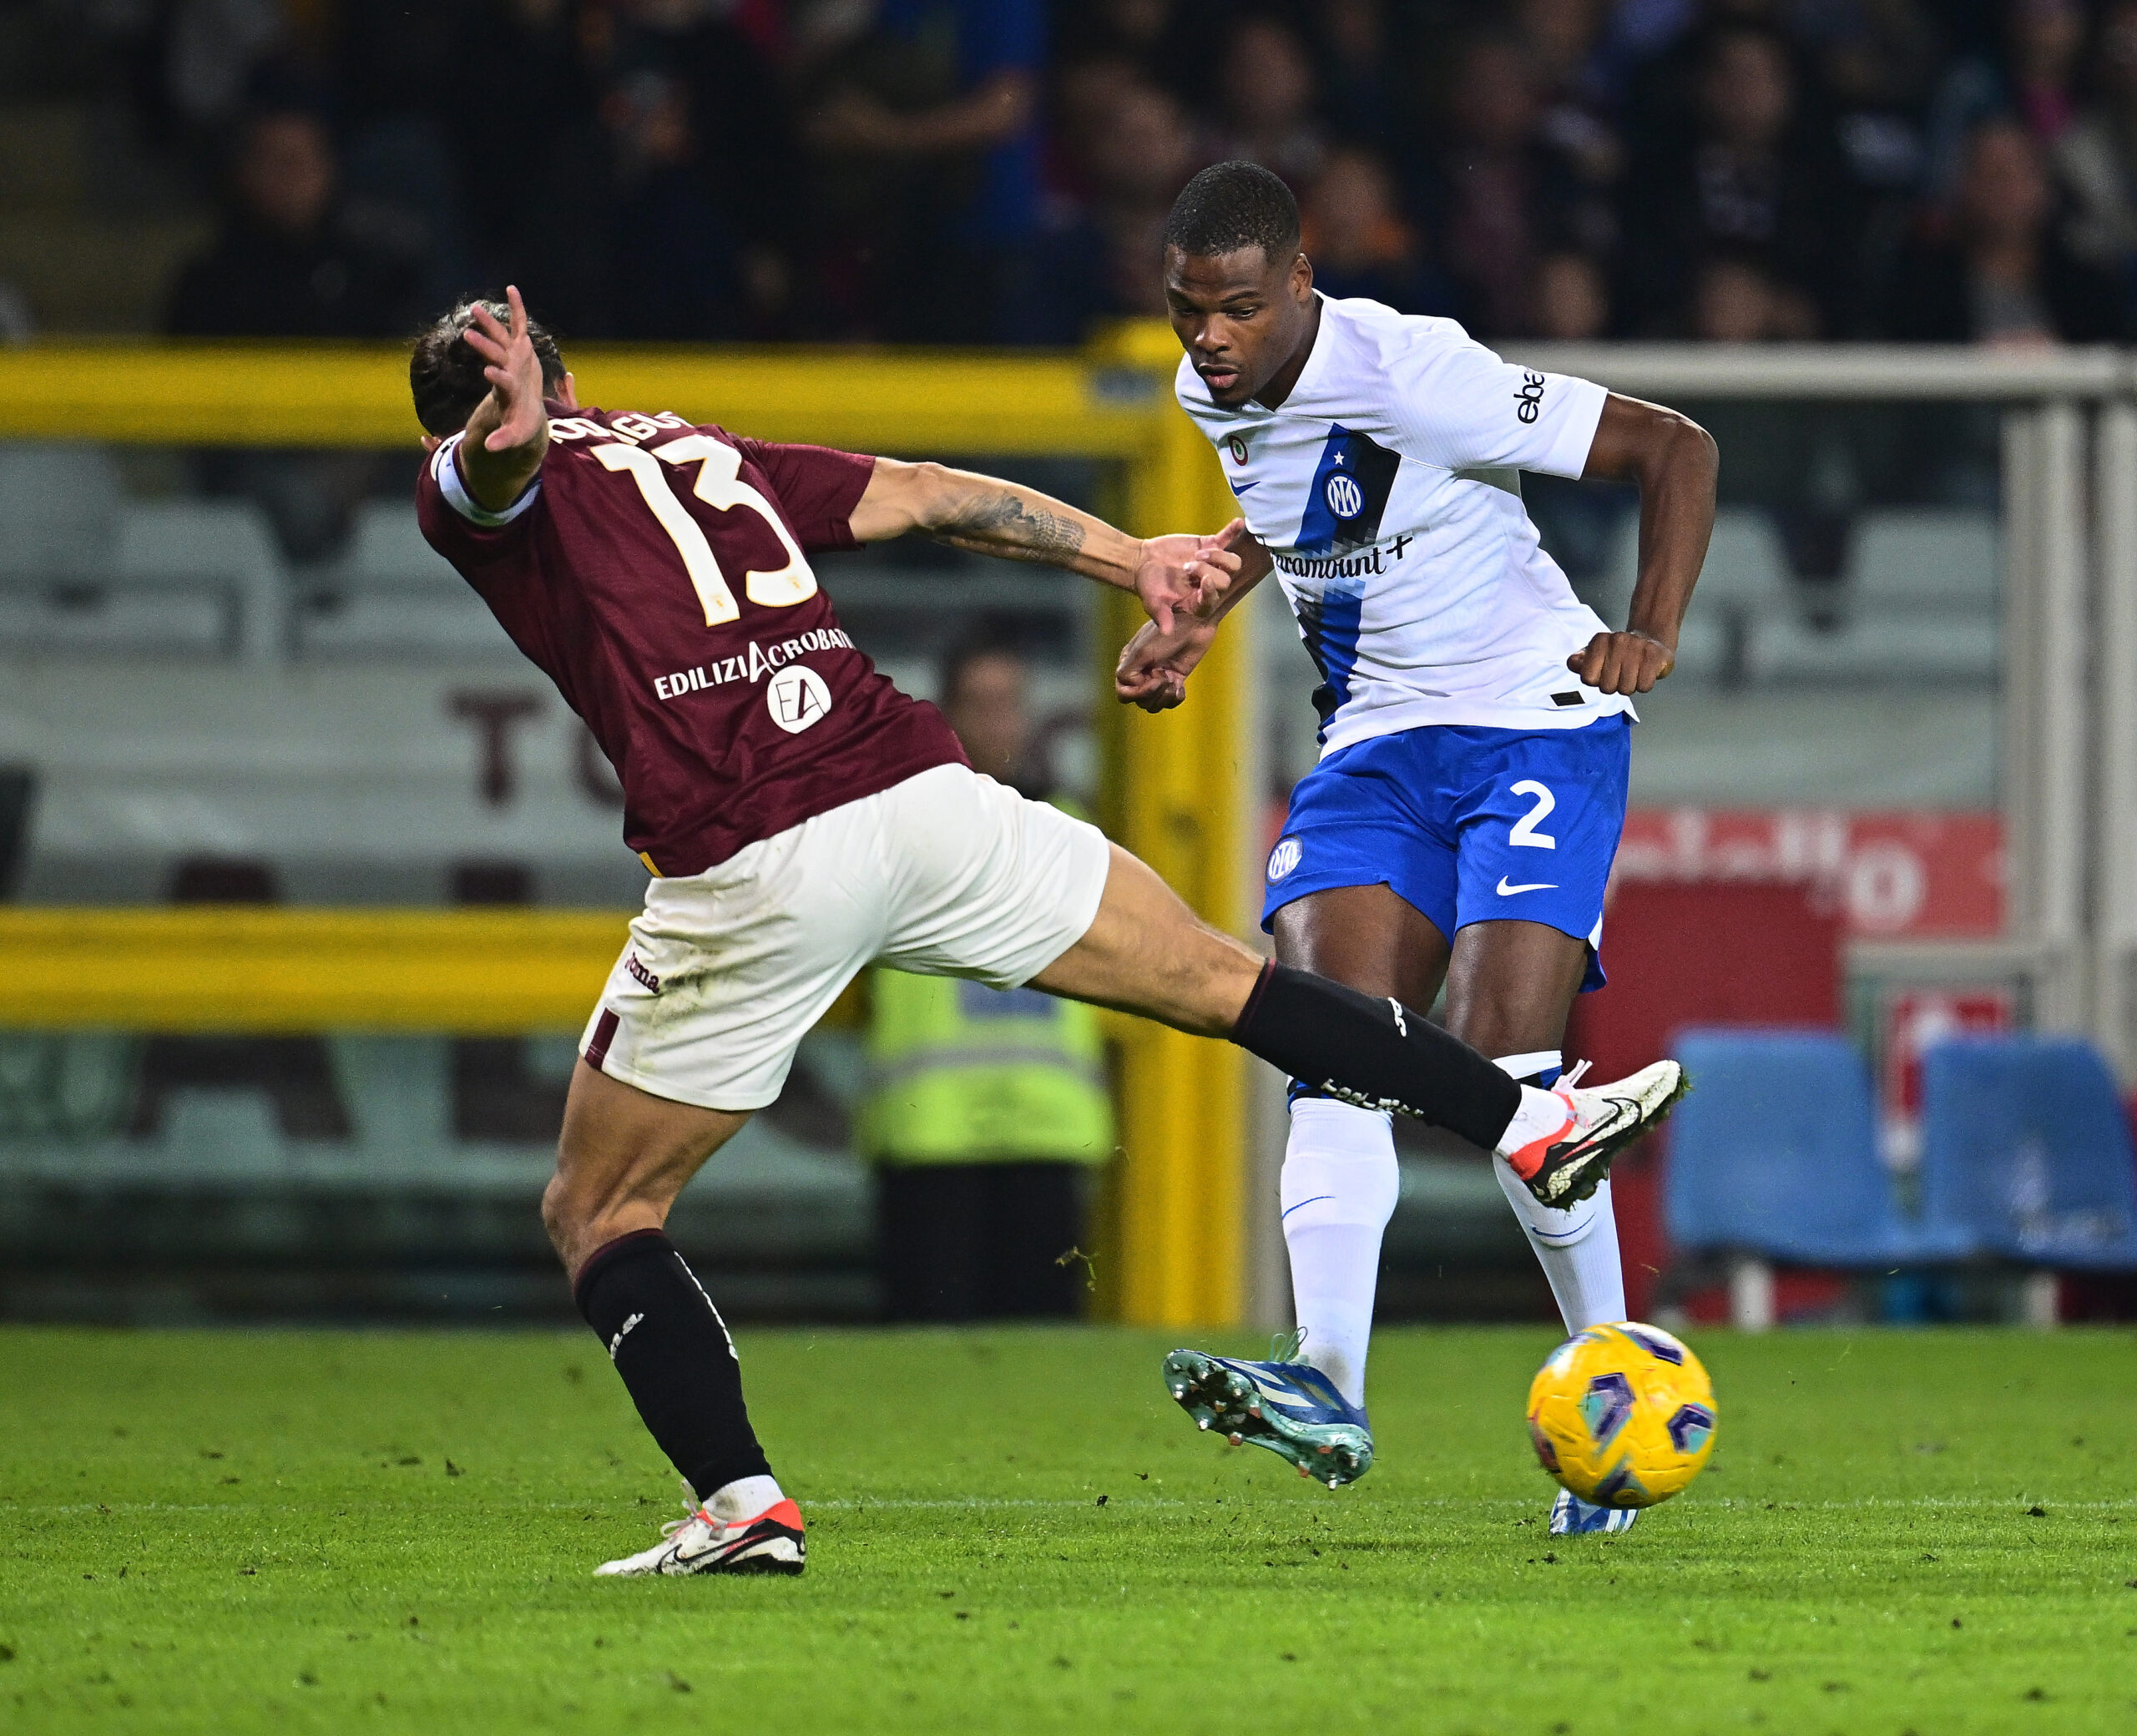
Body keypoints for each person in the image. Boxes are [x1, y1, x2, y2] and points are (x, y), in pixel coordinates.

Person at [408, 289, 1685, 1577]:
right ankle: (1526, 1121)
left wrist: (497, 445)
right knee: (1224, 981)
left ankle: (742, 1505)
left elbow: (487, 480)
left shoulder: (479, 481)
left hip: (758, 853)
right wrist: (1133, 559)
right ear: (576, 386)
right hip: (923, 799)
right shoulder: (692, 447)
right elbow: (930, 495)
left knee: (601, 1206)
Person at [1115, 163, 1715, 1536]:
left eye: (1239, 308)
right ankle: (1328, 1383)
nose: (1209, 337)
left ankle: (1614, 1390)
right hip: (1375, 743)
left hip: (1534, 724)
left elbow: (1676, 448)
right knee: (1334, 1037)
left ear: (1301, 283)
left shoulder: (1414, 372)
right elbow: (1305, 507)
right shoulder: (1209, 390)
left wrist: (1652, 626)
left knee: (1504, 1072)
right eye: (1187, 308)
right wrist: (1206, 607)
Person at [860, 639, 1112, 1321]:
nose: (1000, 722)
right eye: (982, 704)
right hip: (934, 1133)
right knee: (930, 1341)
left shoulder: (1073, 829)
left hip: (1046, 1127)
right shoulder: (896, 825)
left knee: (1042, 1342)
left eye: (1011, 704)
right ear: (947, 714)